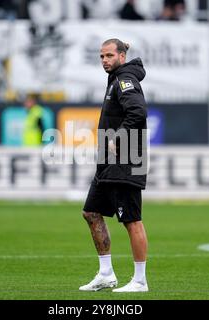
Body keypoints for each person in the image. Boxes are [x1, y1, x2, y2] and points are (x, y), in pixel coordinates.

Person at [79, 39, 149, 292]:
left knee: (132, 220)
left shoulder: (125, 80)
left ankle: (140, 281)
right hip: (108, 163)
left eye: (109, 55)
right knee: (91, 212)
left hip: (126, 161)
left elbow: (138, 112)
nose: (105, 60)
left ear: (121, 55)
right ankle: (106, 273)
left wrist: (119, 137)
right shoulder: (116, 79)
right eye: (101, 56)